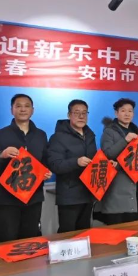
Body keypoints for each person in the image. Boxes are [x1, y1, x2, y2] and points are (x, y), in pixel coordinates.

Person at [0, 94, 52, 242]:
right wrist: (2, 155)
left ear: (32, 110)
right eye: (18, 106)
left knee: (30, 240)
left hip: (33, 198)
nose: (23, 109)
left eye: (27, 106)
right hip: (7, 200)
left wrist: (46, 171)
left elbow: (45, 160)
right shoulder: (0, 135)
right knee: (8, 240)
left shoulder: (41, 135)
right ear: (12, 110)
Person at [99, 98, 138, 224]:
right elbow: (107, 154)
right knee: (117, 225)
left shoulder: (137, 133)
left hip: (135, 186)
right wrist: (125, 140)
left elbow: (137, 157)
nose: (127, 114)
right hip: (117, 185)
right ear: (116, 113)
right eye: (123, 111)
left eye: (130, 111)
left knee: (133, 227)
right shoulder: (109, 132)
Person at [47, 99, 97, 232]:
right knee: (67, 234)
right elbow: (54, 165)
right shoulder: (58, 137)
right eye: (77, 113)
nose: (81, 116)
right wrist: (76, 162)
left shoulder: (90, 135)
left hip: (88, 193)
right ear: (69, 115)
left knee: (84, 233)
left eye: (84, 113)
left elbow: (94, 161)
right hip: (69, 196)